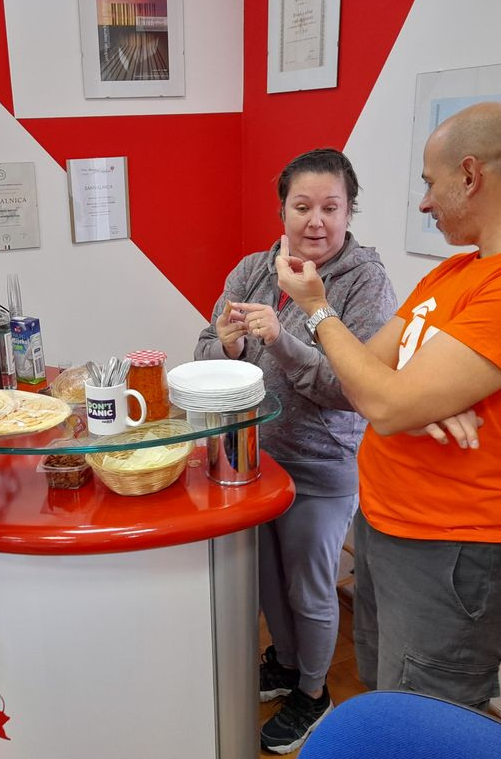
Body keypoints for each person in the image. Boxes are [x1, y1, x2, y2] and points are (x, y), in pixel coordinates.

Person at [275, 103, 501, 709]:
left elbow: (381, 399)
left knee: (424, 725)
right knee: (385, 700)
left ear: (470, 175)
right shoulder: (454, 273)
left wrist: (318, 310)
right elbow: (362, 378)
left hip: (456, 550)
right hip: (388, 526)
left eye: (430, 182)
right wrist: (415, 394)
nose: (424, 203)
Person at [195, 148, 396, 753]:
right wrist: (227, 346)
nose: (316, 221)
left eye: (330, 207)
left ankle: (314, 693)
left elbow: (352, 388)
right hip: (251, 459)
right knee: (267, 580)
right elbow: (204, 354)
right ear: (282, 210)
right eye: (302, 206)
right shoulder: (253, 270)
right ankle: (284, 664)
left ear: (350, 212)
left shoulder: (364, 283)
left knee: (309, 588)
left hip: (321, 463)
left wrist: (282, 340)